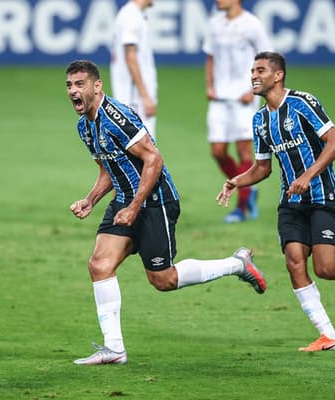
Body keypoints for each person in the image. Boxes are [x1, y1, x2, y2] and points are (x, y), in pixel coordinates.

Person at [66, 60, 266, 365]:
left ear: (97, 86)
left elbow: (154, 160)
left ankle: (237, 264)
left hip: (155, 201)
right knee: (99, 265)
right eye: (69, 85)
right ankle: (115, 349)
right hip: (125, 200)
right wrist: (91, 199)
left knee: (163, 280)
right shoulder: (85, 126)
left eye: (80, 84)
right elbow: (108, 168)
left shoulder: (116, 118)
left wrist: (135, 206)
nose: (73, 91)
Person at [216, 51, 335, 352]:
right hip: (291, 202)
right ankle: (329, 336)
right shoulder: (260, 120)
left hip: (322, 197)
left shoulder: (303, 103)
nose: (254, 75)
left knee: (326, 269)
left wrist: (307, 176)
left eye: (261, 70)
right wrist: (236, 181)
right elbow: (263, 168)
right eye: (253, 70)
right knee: (294, 262)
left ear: (278, 75)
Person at [203, 0, 272, 223]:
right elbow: (210, 57)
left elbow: (267, 61)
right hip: (220, 97)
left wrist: (254, 91)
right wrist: (210, 86)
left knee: (244, 151)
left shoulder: (252, 24)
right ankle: (248, 189)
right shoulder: (214, 24)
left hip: (245, 97)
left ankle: (240, 208)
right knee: (217, 151)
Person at [110, 0, 158, 139]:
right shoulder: (131, 16)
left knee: (140, 151)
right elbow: (130, 56)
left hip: (134, 96)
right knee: (145, 150)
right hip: (134, 98)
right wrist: (145, 96)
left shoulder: (132, 14)